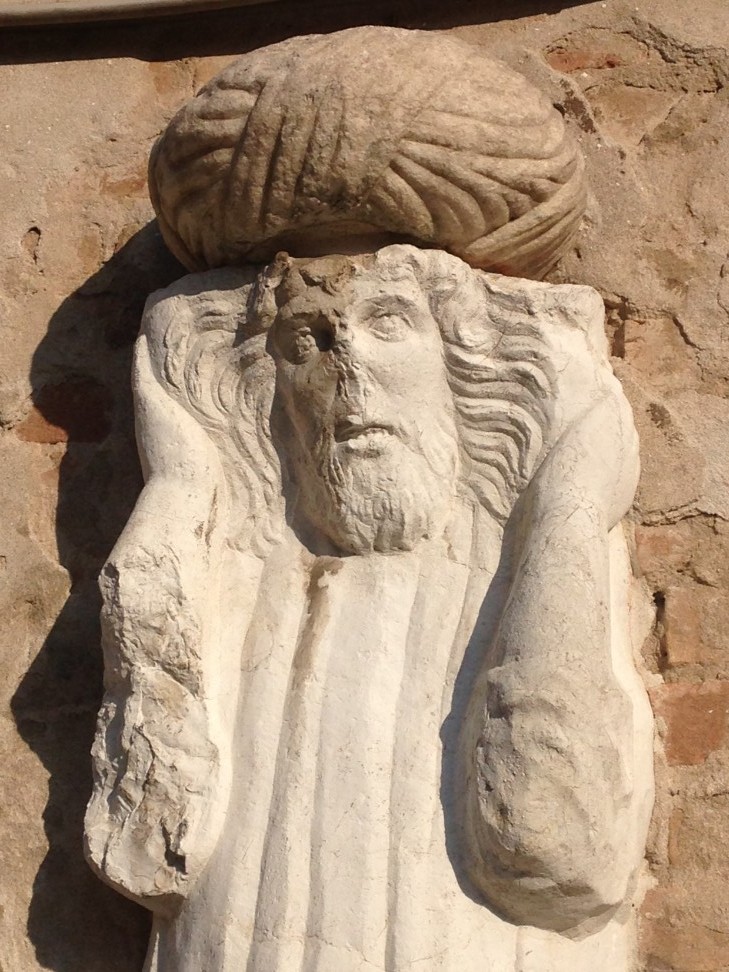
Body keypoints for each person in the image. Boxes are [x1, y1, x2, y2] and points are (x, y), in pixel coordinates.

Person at [86, 245, 653, 972]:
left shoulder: (511, 558)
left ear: (464, 363)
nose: (348, 368)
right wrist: (179, 491)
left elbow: (552, 847)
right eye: (305, 341)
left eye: (387, 323)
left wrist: (564, 514)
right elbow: (146, 849)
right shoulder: (246, 573)